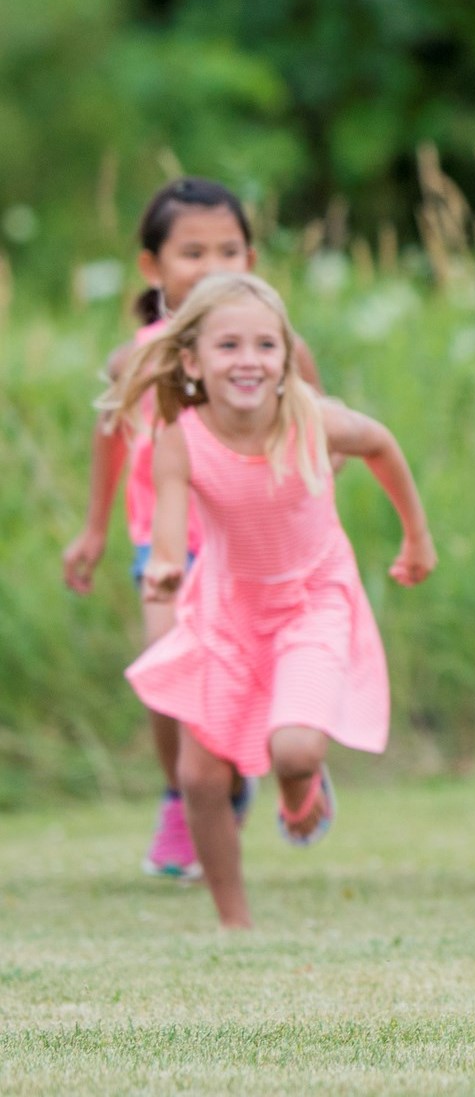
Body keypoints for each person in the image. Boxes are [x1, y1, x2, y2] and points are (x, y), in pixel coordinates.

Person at [106, 273, 435, 929]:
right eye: (229, 346)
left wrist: (417, 536)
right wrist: (165, 570)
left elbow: (380, 443)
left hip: (314, 600)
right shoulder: (181, 436)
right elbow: (168, 533)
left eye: (266, 345)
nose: (249, 360)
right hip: (226, 611)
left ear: (287, 359)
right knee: (199, 777)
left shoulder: (313, 420)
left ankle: (297, 790)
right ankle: (236, 923)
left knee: (293, 749)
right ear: (193, 361)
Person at [61, 178, 322, 881]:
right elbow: (111, 436)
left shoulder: (276, 351)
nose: (212, 266)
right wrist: (92, 530)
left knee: (263, 675)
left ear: (253, 255)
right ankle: (187, 793)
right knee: (163, 673)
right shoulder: (138, 358)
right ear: (152, 268)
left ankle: (283, 764)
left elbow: (320, 437)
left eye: (229, 250)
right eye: (192, 252)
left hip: (259, 547)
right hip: (166, 545)